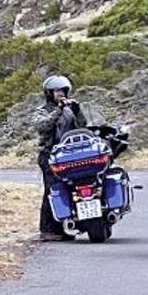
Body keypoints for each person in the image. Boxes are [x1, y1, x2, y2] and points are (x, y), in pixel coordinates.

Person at [34, 75, 87, 241]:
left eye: (63, 90)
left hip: (69, 153)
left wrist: (78, 111)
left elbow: (82, 127)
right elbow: (43, 126)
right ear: (49, 93)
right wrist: (58, 111)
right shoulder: (41, 111)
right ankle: (47, 229)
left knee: (70, 188)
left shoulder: (69, 111)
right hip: (49, 154)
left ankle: (65, 226)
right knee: (52, 189)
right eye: (57, 91)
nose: (61, 94)